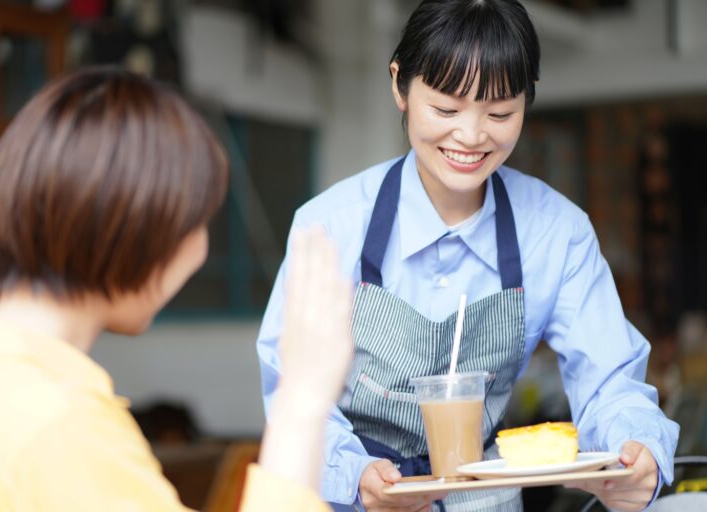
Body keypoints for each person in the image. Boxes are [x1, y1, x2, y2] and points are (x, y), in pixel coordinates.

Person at [257, 1, 680, 511]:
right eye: (446, 109)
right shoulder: (329, 227)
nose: (473, 135)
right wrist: (354, 474)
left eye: (500, 112)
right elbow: (291, 392)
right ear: (400, 86)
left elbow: (610, 380)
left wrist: (640, 451)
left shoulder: (557, 233)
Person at [0, 67, 353, 511]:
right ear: (138, 225)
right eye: (195, 220)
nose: (199, 251)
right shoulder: (59, 426)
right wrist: (302, 402)